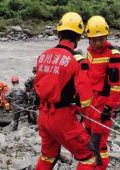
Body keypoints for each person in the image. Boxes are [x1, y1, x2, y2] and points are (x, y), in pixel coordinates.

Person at [34, 12, 96, 170]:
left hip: (43, 115)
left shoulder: (43, 55)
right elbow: (86, 99)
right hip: (63, 118)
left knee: (48, 156)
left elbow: (37, 86)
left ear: (59, 33)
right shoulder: (77, 61)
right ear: (79, 36)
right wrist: (80, 112)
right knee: (89, 157)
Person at [84, 16, 120, 169]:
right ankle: (90, 165)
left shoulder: (114, 55)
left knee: (99, 143)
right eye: (94, 39)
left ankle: (100, 167)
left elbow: (117, 86)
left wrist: (109, 108)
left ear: (106, 36)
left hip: (102, 105)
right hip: (89, 104)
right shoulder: (89, 52)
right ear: (88, 39)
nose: (97, 43)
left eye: (101, 39)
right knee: (87, 138)